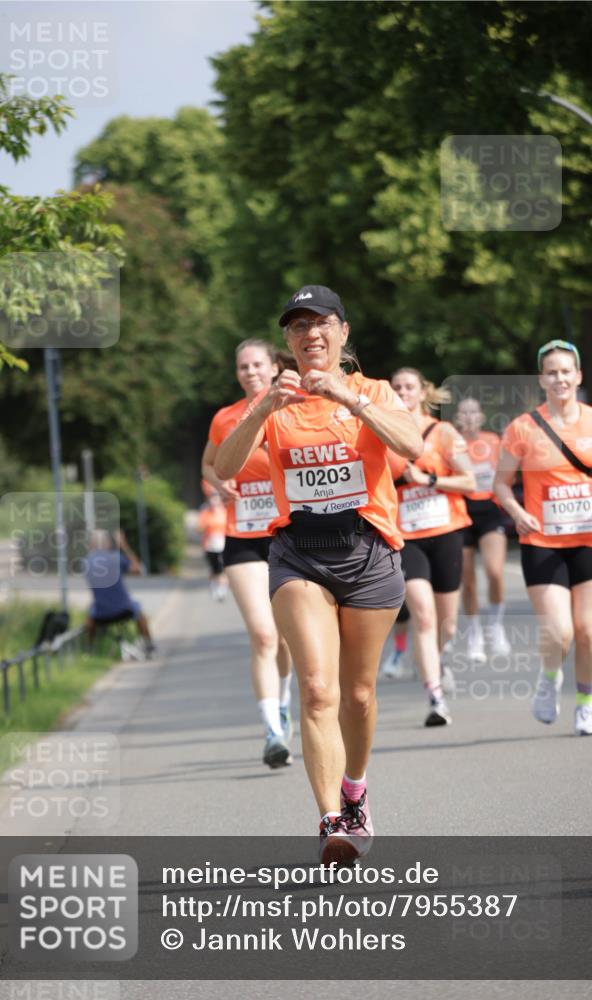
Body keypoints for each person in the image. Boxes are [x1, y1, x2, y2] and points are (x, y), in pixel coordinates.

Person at [214, 285, 422, 864]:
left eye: (321, 323)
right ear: (288, 341)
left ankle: (355, 790)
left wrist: (351, 401)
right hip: (299, 556)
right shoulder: (274, 406)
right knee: (317, 688)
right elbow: (225, 470)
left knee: (358, 694)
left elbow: (413, 447)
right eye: (297, 326)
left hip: (369, 553)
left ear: (342, 333)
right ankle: (331, 818)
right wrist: (261, 409)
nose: (310, 334)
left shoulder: (373, 391)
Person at [494, 340, 592, 736]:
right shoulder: (522, 427)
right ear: (542, 379)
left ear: (578, 376)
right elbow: (500, 485)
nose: (559, 378)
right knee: (560, 631)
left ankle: (586, 707)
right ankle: (550, 677)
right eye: (552, 372)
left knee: (589, 631)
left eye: (565, 371)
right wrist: (517, 512)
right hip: (542, 541)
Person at [202, 339, 295, 770]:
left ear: (275, 367)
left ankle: (286, 695)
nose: (250, 371)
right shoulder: (224, 418)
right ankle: (272, 729)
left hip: (288, 534)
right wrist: (218, 482)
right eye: (242, 366)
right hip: (243, 536)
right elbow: (209, 463)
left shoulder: (293, 407)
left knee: (288, 635)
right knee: (263, 634)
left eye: (257, 363)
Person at [388, 368, 476, 726]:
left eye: (409, 386)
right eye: (396, 387)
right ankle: (435, 696)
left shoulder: (443, 433)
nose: (403, 392)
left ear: (423, 391)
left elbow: (470, 481)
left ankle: (437, 659)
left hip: (446, 531)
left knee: (447, 623)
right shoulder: (381, 436)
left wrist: (429, 479)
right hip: (405, 537)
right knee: (422, 613)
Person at [455, 396, 511, 662]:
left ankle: (495, 626)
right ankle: (474, 632)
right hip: (462, 511)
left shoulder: (493, 441)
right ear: (457, 418)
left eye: (473, 412)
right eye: (463, 413)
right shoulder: (452, 443)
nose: (468, 417)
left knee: (494, 571)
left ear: (481, 416)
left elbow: (507, 475)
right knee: (468, 580)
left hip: (489, 511)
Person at [84, 530, 155, 656]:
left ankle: (90, 650)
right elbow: (139, 570)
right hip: (124, 610)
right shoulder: (116, 558)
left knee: (90, 617)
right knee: (140, 614)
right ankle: (149, 644)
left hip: (101, 613)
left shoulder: (87, 562)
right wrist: (124, 546)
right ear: (108, 543)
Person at [197, 487, 228, 601]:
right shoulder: (206, 513)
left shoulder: (225, 512)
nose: (214, 501)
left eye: (216, 498)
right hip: (210, 545)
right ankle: (214, 586)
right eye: (212, 498)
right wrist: (205, 526)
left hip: (223, 545)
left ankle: (222, 590)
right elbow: (199, 528)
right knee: (214, 569)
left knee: (223, 568)